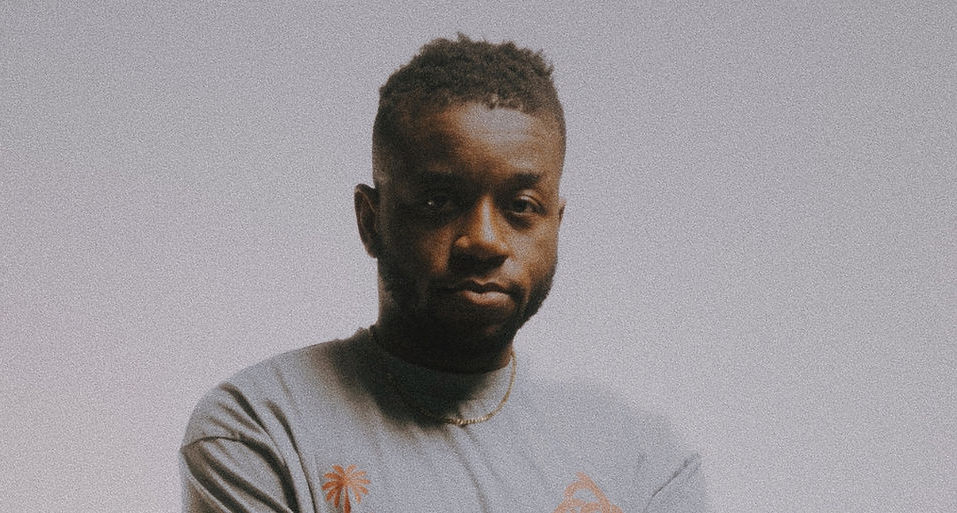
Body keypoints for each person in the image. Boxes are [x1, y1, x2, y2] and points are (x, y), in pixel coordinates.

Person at [180, 34, 706, 513]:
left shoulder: (644, 463)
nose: (483, 240)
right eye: (438, 201)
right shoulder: (261, 429)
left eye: (521, 206)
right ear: (370, 222)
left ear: (556, 223)